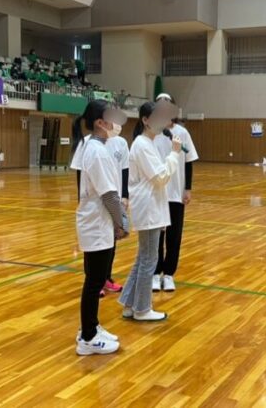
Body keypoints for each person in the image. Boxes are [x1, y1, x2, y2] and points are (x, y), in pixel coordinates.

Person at [72, 100, 129, 356]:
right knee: (95, 282)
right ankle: (88, 337)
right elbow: (108, 194)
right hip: (96, 222)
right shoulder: (95, 151)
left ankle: (92, 326)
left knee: (95, 279)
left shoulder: (98, 147)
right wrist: (121, 222)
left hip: (99, 220)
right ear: (100, 122)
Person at [119, 101, 182, 321]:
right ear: (146, 120)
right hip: (148, 207)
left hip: (150, 206)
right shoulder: (142, 145)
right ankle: (142, 309)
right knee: (149, 260)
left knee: (143, 258)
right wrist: (174, 154)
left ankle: (129, 303)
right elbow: (160, 177)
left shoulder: (147, 143)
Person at [71, 121, 129, 297]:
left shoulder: (120, 143)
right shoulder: (89, 145)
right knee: (95, 249)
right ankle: (95, 281)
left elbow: (124, 170)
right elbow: (81, 175)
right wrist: (81, 200)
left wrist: (124, 196)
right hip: (99, 203)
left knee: (110, 244)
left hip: (113, 201)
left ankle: (105, 278)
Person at [152, 93, 199, 292]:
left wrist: (187, 188)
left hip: (176, 193)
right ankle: (155, 273)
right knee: (156, 236)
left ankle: (169, 274)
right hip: (156, 192)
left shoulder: (182, 132)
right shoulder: (152, 132)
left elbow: (188, 162)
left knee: (174, 236)